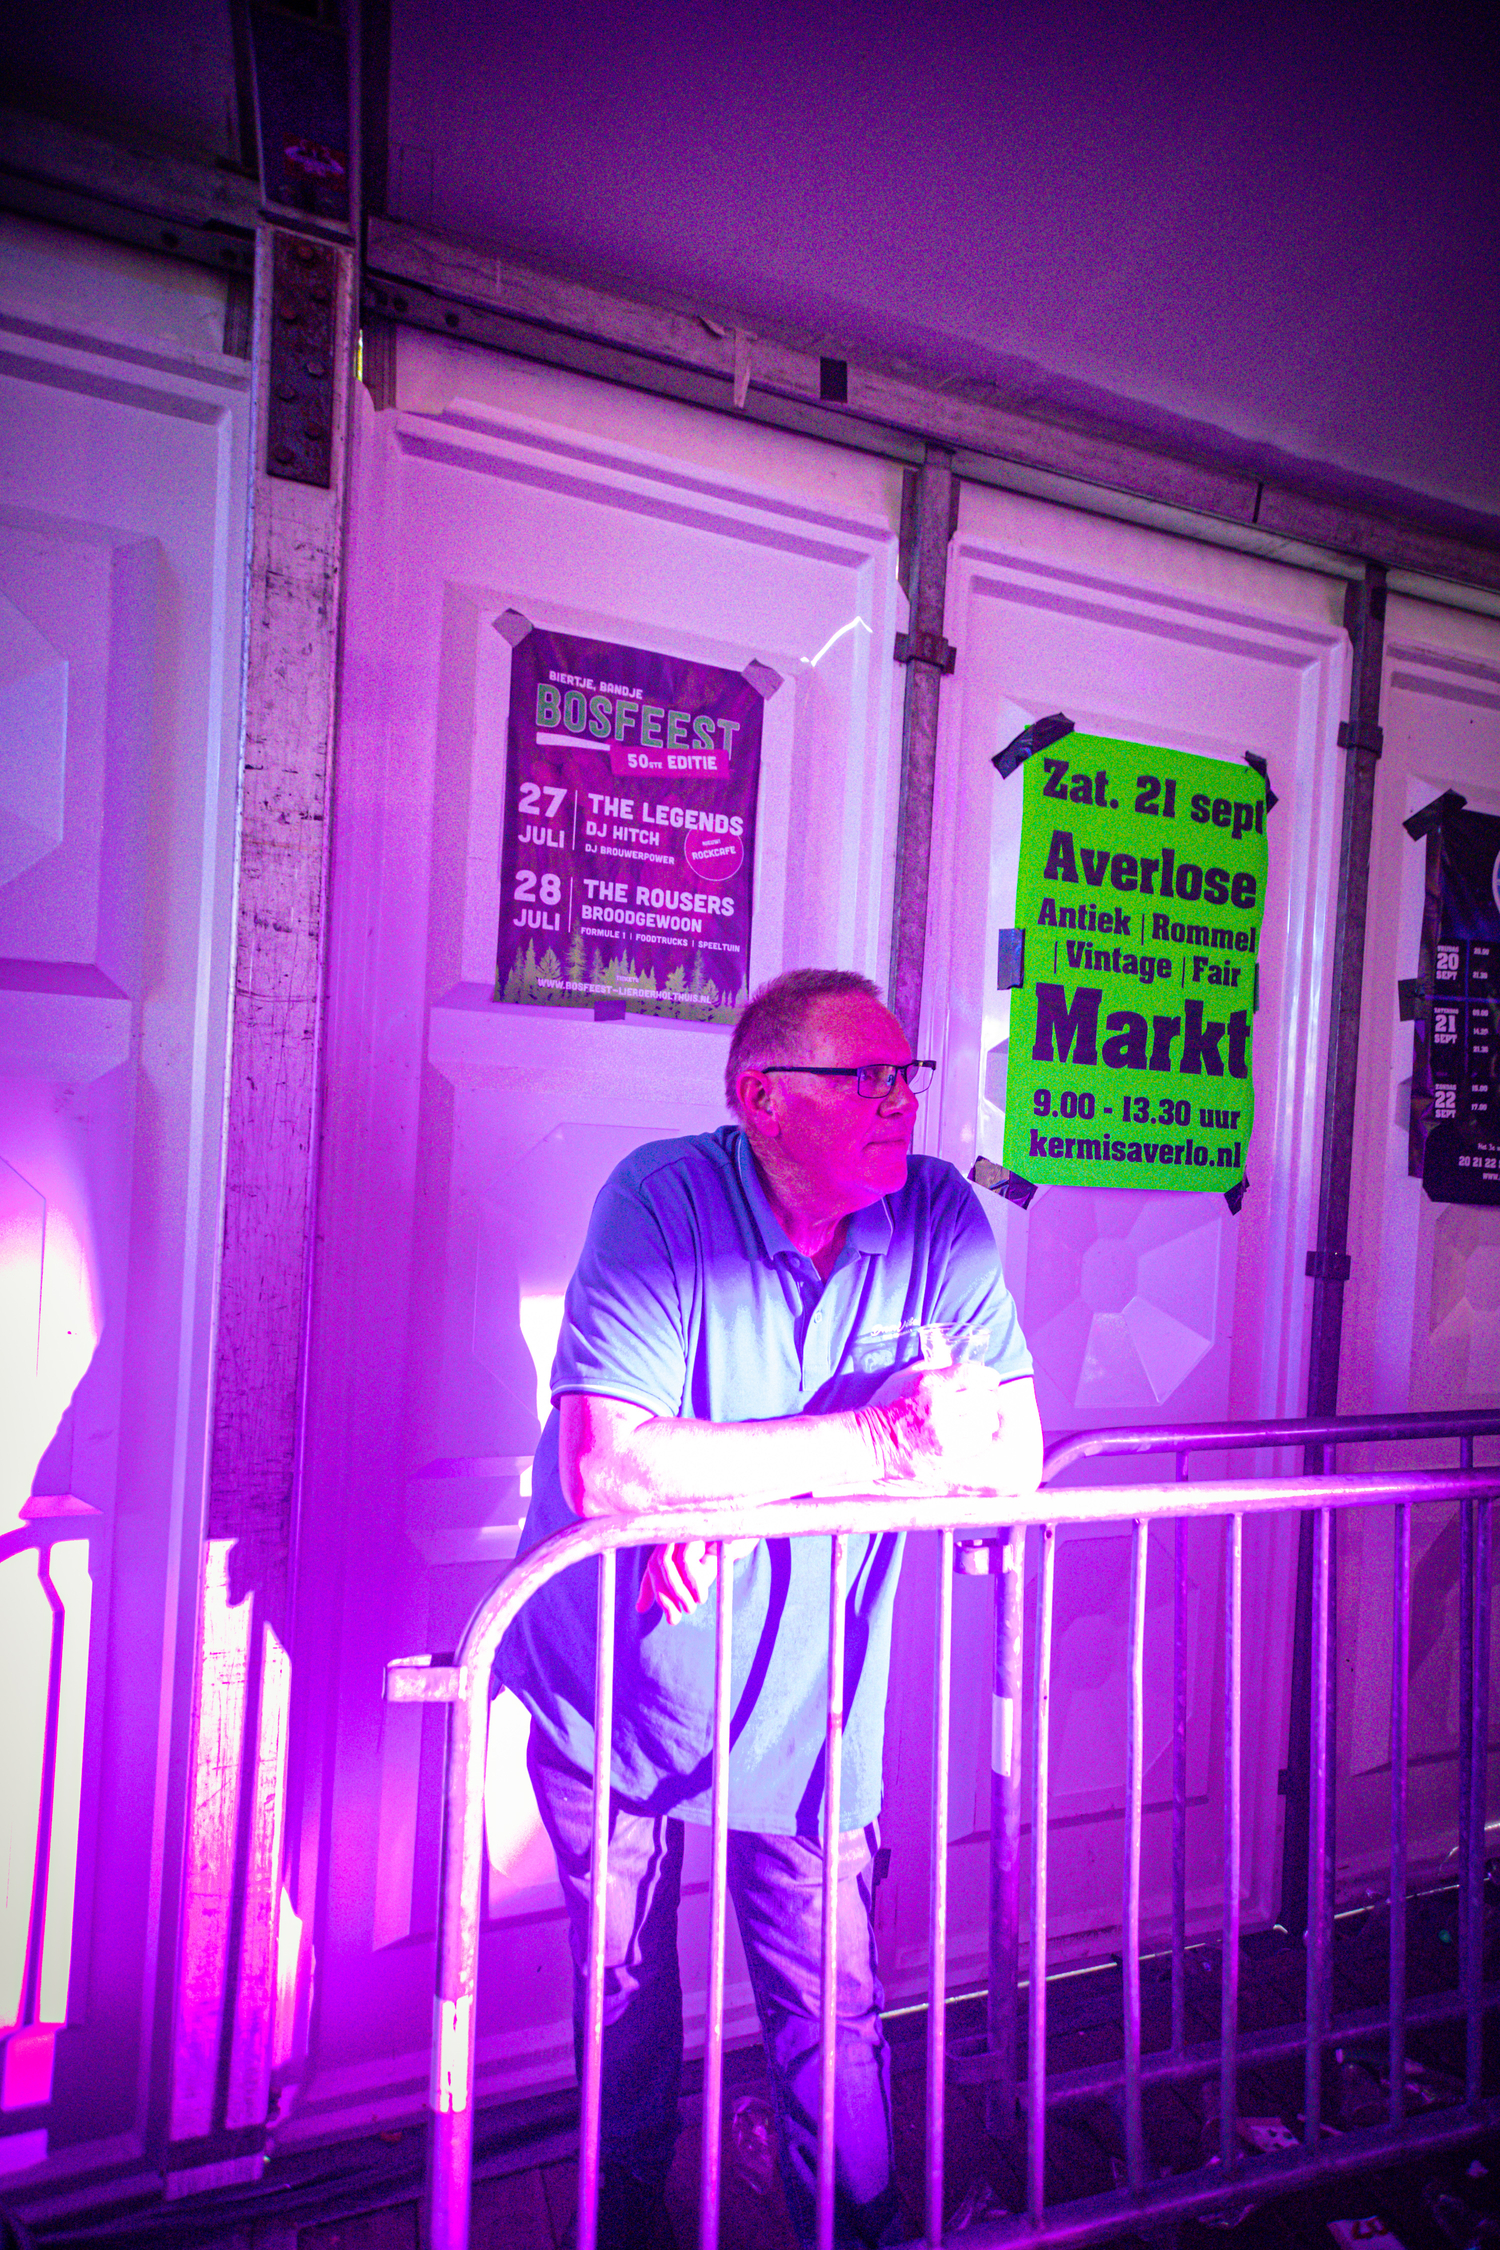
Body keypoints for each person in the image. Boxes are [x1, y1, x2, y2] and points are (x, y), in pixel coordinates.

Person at [496, 967, 1041, 2248]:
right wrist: (880, 1440)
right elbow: (611, 1471)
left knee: (832, 2014)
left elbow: (1008, 1450)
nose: (900, 1103)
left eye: (908, 1076)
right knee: (621, 2001)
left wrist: (722, 1492)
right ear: (763, 1100)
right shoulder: (662, 1199)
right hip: (619, 1690)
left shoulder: (941, 1216)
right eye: (866, 1078)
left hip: (813, 1703)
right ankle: (622, 2221)